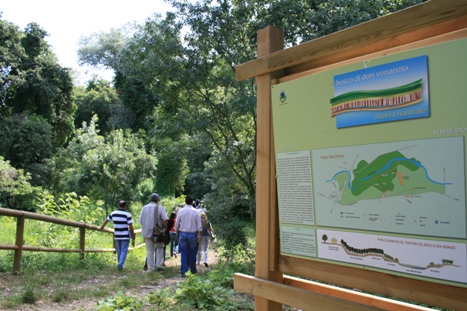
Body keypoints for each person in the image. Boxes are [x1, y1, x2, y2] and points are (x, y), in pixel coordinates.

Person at [100, 200, 135, 270]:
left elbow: (106, 220)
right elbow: (130, 225)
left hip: (117, 235)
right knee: (124, 250)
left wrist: (102, 227)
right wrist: (132, 234)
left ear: (118, 206)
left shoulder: (113, 213)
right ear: (125, 206)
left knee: (119, 250)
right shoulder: (127, 214)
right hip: (125, 235)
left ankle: (120, 264)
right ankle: (120, 264)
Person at [139, 193, 168, 272]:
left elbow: (140, 221)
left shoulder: (144, 208)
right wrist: (164, 228)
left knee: (150, 250)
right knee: (159, 249)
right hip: (158, 233)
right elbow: (165, 219)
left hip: (147, 233)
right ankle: (159, 266)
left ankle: (150, 268)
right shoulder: (160, 208)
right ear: (157, 200)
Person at [174, 196, 202, 277]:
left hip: (183, 233)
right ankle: (193, 270)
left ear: (185, 202)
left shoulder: (181, 211)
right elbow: (199, 225)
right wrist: (199, 234)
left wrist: (176, 230)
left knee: (184, 253)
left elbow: (177, 222)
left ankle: (184, 271)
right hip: (193, 234)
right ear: (192, 202)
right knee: (193, 253)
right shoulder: (196, 212)